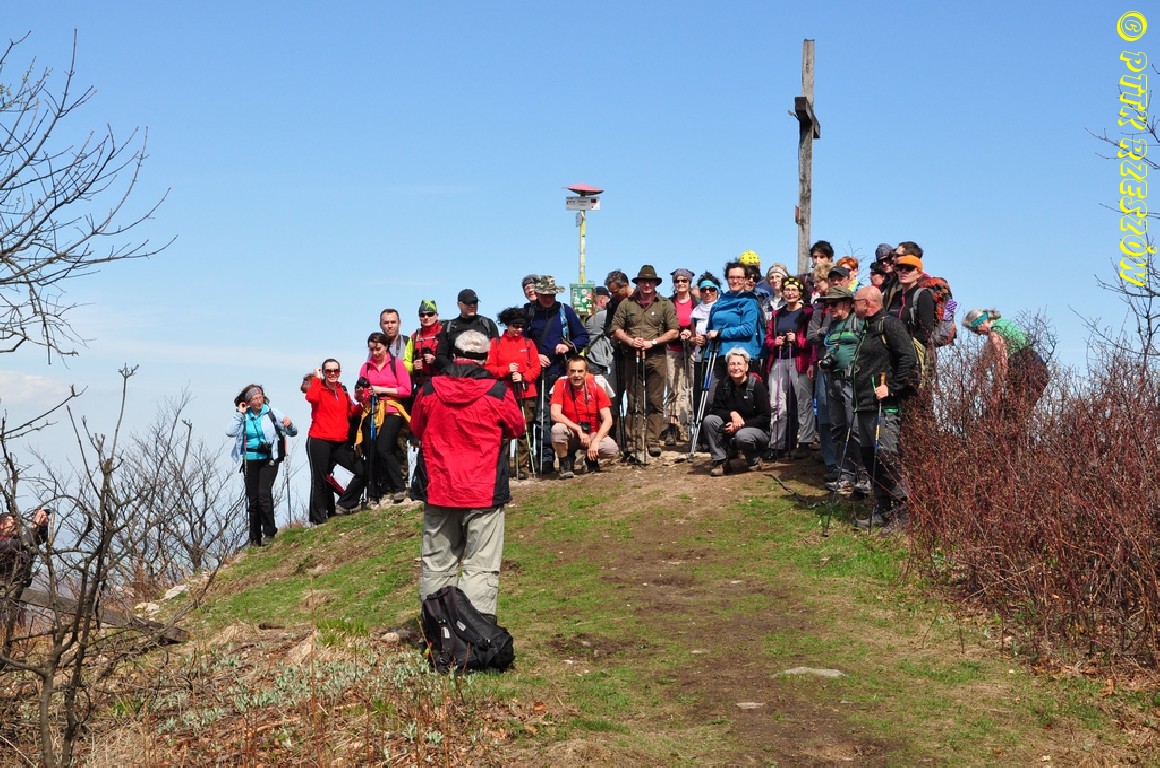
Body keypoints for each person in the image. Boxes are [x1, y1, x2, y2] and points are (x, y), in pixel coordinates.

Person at [412, 330, 525, 624]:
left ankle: (436, 629)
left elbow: (417, 427)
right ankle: (476, 632)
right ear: (486, 358)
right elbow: (516, 428)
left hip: (439, 487)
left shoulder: (430, 389)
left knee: (437, 564)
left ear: (454, 356)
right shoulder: (498, 392)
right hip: (483, 489)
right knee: (481, 565)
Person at [852, 286, 917, 533]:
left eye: (856, 301)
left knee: (887, 457)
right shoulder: (867, 328)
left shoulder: (889, 324)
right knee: (871, 459)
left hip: (884, 406)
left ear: (867, 303)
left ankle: (903, 513)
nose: (853, 306)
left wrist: (893, 388)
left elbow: (908, 357)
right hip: (864, 405)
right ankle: (882, 509)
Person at [609, 264, 679, 459]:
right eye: (643, 281)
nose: (647, 285)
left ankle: (652, 441)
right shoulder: (626, 304)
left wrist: (653, 342)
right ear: (638, 283)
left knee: (655, 401)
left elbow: (674, 331)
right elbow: (616, 328)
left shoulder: (664, 304)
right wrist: (630, 341)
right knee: (634, 401)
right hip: (632, 357)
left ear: (655, 284)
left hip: (656, 357)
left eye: (650, 282)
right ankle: (633, 443)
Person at [525, 275, 588, 473]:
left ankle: (566, 457)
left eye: (552, 295)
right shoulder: (528, 313)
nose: (548, 298)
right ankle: (545, 459)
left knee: (565, 415)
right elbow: (521, 341)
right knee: (542, 417)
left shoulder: (565, 311)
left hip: (562, 372)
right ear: (538, 294)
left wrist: (568, 346)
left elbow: (582, 337)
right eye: (545, 295)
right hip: (539, 374)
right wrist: (535, 356)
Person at [815, 288, 871, 496]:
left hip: (853, 382)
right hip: (833, 381)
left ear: (848, 303)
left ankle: (865, 476)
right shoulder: (831, 326)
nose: (830, 308)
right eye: (827, 304)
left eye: (834, 304)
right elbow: (831, 349)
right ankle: (845, 475)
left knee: (856, 429)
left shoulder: (859, 322)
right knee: (837, 429)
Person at [227, 385, 298, 547]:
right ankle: (254, 537)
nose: (259, 401)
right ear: (247, 402)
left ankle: (269, 532)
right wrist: (240, 414)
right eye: (255, 399)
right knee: (253, 498)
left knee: (263, 493)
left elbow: (293, 432)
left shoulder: (272, 413)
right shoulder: (243, 416)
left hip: (269, 458)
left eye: (260, 398)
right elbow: (230, 432)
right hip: (250, 459)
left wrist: (289, 424)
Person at [301, 360, 366, 521]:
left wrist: (363, 402)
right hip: (319, 440)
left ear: (339, 372)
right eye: (328, 371)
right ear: (323, 372)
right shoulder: (318, 388)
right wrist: (317, 379)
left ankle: (344, 504)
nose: (332, 373)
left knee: (363, 470)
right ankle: (318, 519)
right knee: (319, 480)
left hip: (340, 442)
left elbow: (351, 411)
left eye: (335, 370)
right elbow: (311, 397)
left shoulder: (341, 391)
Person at [356, 332, 412, 507]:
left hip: (392, 409)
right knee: (371, 450)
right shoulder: (366, 367)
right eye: (371, 349)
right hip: (371, 410)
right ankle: (374, 493)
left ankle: (399, 487)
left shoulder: (397, 364)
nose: (375, 353)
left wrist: (381, 390)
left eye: (378, 348)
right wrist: (360, 393)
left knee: (383, 447)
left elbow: (406, 390)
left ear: (386, 346)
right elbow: (361, 396)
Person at [963, 309, 1049, 422]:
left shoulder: (995, 334)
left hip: (1027, 375)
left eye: (976, 330)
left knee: (1012, 417)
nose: (978, 334)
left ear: (981, 323)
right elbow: (988, 354)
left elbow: (1001, 364)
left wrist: (996, 394)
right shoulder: (1002, 323)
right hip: (1038, 368)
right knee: (1016, 415)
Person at [486, 307, 542, 480]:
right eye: (515, 326)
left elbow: (536, 367)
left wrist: (524, 376)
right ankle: (502, 466)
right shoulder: (495, 343)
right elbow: (489, 368)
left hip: (525, 392)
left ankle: (522, 466)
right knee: (502, 429)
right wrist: (506, 370)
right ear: (507, 325)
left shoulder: (528, 343)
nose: (519, 329)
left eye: (521, 326)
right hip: (503, 393)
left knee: (524, 429)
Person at [764, 277, 816, 459]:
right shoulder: (777, 314)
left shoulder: (808, 312)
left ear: (800, 292)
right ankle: (777, 444)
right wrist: (775, 342)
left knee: (804, 401)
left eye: (794, 290)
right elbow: (768, 338)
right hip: (779, 359)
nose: (790, 293)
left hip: (800, 360)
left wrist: (798, 340)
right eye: (787, 289)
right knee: (777, 403)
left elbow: (812, 340)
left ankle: (805, 442)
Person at [702, 348, 771, 476]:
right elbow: (715, 409)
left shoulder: (757, 386)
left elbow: (765, 417)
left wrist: (742, 424)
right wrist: (732, 414)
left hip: (755, 430)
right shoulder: (723, 384)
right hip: (730, 426)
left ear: (746, 366)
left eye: (739, 364)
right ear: (727, 366)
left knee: (742, 435)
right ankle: (721, 461)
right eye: (732, 364)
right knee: (709, 420)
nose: (736, 368)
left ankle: (755, 459)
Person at [550, 356, 619, 478]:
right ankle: (565, 464)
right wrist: (578, 429)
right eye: (572, 371)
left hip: (592, 434)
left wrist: (596, 441)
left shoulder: (596, 387)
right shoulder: (561, 384)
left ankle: (590, 458)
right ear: (567, 372)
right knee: (557, 429)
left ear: (586, 372)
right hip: (571, 432)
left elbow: (608, 419)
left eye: (580, 371)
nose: (576, 375)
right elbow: (555, 414)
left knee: (611, 448)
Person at [665, 267, 698, 446]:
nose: (680, 284)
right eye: (677, 281)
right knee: (673, 387)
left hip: (692, 349)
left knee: (692, 386)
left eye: (683, 281)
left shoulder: (696, 302)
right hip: (673, 348)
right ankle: (672, 427)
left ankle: (691, 426)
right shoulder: (669, 303)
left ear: (689, 283)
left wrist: (691, 334)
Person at [435, 289, 499, 373]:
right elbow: (441, 356)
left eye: (475, 302)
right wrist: (455, 370)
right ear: (459, 305)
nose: (472, 305)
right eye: (468, 303)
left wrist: (484, 372)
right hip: (455, 375)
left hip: (482, 375)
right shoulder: (449, 327)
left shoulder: (488, 324)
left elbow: (497, 352)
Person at [408, 299, 442, 392]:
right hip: (421, 387)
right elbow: (405, 362)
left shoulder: (445, 334)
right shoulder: (414, 336)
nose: (426, 317)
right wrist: (413, 366)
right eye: (422, 315)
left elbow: (452, 361)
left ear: (436, 315)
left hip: (441, 385)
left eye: (430, 314)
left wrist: (435, 360)